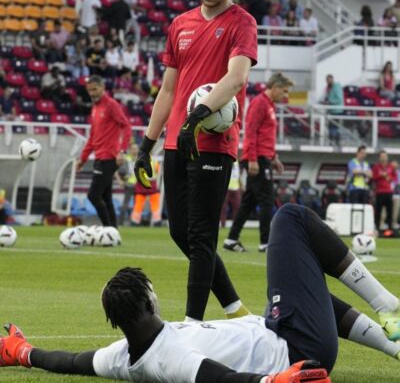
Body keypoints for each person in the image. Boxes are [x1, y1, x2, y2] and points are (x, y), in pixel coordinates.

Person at [3, 204, 400, 382]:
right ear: (150, 302)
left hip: (279, 330)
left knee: (291, 296)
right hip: (299, 348)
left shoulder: (121, 354)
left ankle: (395, 345)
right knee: (291, 217)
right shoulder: (168, 358)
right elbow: (216, 377)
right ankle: (387, 305)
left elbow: (72, 361)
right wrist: (275, 382)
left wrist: (23, 351)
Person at [134, 0, 258, 322]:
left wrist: (197, 117)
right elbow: (168, 90)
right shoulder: (180, 24)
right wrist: (146, 144)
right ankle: (236, 309)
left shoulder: (242, 23)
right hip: (177, 140)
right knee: (180, 232)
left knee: (202, 236)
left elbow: (236, 78)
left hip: (214, 142)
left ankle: (192, 324)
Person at [224, 73, 294, 253]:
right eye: (285, 91)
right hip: (257, 159)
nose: (285, 96)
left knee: (248, 202)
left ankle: (231, 239)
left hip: (263, 158)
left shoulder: (269, 105)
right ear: (275, 87)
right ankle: (265, 243)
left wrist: (274, 157)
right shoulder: (260, 103)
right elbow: (251, 132)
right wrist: (253, 159)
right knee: (267, 200)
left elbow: (265, 136)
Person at [76, 75, 131, 227]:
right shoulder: (95, 107)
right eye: (89, 90)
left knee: (93, 195)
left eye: (95, 89)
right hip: (99, 157)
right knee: (106, 198)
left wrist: (122, 151)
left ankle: (108, 229)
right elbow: (92, 136)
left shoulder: (111, 105)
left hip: (109, 157)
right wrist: (83, 159)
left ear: (103, 87)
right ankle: (113, 231)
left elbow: (126, 126)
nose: (92, 93)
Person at [372, 150, 397, 233]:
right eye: (382, 156)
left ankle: (390, 229)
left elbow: (395, 178)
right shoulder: (376, 167)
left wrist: (390, 178)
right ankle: (377, 228)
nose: (384, 158)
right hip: (379, 192)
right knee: (378, 211)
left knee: (390, 211)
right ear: (379, 158)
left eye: (385, 156)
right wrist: (381, 175)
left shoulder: (390, 167)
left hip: (389, 192)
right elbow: (373, 177)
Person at [322, 74, 344, 146]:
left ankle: (334, 140)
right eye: (327, 80)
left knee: (333, 126)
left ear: (332, 79)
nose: (328, 82)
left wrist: (329, 102)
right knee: (331, 126)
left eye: (329, 80)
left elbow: (338, 99)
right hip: (331, 110)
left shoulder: (336, 87)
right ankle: (333, 140)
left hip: (337, 111)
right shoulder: (329, 88)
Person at [220, 160, 241, 228]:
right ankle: (223, 223)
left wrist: (240, 185)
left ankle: (235, 224)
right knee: (223, 207)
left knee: (237, 207)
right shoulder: (228, 161)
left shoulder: (237, 163)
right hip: (227, 187)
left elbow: (238, 175)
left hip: (236, 187)